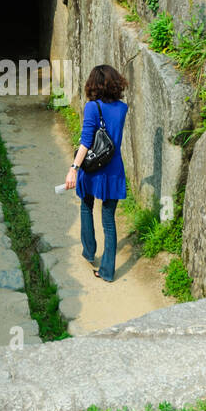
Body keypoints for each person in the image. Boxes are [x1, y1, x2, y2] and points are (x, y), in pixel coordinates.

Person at [64, 64, 129, 282]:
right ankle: (108, 271)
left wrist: (73, 168)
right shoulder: (122, 108)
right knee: (109, 221)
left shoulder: (93, 107)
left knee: (86, 205)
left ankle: (89, 251)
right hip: (113, 170)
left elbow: (85, 141)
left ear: (94, 84)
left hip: (92, 168)